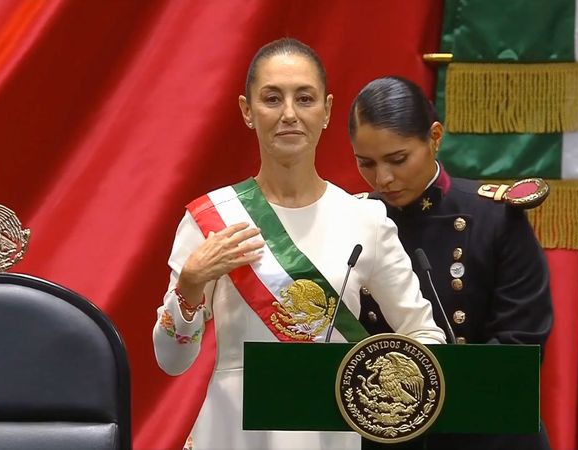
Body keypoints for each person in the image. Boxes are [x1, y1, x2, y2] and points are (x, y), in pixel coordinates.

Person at [152, 40, 446, 450]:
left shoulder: (366, 221)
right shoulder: (211, 219)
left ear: (326, 111)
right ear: (247, 111)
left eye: (304, 98)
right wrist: (190, 283)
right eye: (272, 98)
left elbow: (425, 337)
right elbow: (171, 360)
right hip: (233, 432)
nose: (289, 114)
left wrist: (377, 393)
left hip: (330, 429)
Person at [347, 76, 554, 449]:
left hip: (486, 429)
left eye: (398, 159)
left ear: (435, 137)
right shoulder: (352, 220)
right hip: (387, 431)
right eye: (366, 163)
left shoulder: (493, 217)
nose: (384, 178)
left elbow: (521, 342)